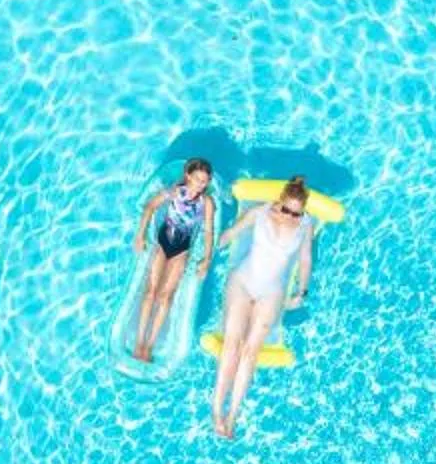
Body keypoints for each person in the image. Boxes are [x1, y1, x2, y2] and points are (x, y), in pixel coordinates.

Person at [209, 175, 317, 439]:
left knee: (250, 352)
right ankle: (216, 410)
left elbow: (305, 261)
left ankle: (232, 415)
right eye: (286, 209)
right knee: (232, 345)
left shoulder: (305, 226)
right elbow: (231, 234)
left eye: (296, 213)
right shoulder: (259, 213)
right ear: (278, 202)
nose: (290, 216)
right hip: (243, 282)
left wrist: (301, 291)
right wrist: (206, 251)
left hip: (272, 292)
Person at [127, 158, 218, 361]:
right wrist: (140, 236)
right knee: (150, 293)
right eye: (196, 180)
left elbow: (209, 231)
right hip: (162, 244)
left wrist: (206, 259)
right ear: (188, 176)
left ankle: (149, 346)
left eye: (204, 181)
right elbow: (149, 208)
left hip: (182, 250)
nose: (200, 185)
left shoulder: (207, 202)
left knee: (166, 297)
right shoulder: (174, 192)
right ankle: (138, 343)